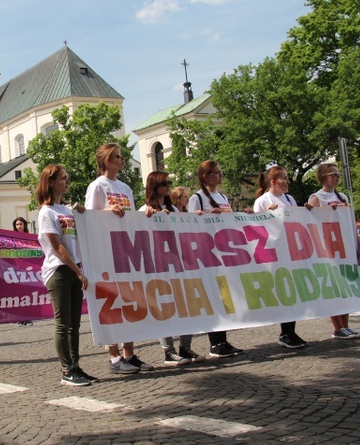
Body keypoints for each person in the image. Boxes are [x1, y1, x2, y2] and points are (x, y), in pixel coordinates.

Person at [84, 143, 148, 374]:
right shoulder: (97, 186)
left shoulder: (125, 187)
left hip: (125, 248)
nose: (122, 160)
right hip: (105, 250)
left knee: (130, 297)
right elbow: (89, 218)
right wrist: (108, 212)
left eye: (122, 156)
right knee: (111, 301)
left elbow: (130, 216)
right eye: (118, 157)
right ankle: (113, 356)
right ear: (107, 161)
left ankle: (129, 353)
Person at [37, 164, 95, 386]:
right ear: (51, 182)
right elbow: (58, 246)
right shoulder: (46, 212)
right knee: (63, 323)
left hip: (74, 268)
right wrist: (78, 271)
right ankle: (66, 370)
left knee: (75, 324)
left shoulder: (67, 210)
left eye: (67, 177)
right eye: (63, 178)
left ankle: (76, 365)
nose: (67, 181)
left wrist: (82, 213)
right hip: (60, 271)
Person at [140, 171, 205, 365]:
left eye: (169, 183)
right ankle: (168, 350)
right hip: (158, 265)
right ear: (154, 187)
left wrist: (195, 218)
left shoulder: (174, 211)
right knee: (164, 307)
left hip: (178, 263)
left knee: (187, 304)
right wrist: (152, 218)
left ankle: (185, 347)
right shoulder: (145, 209)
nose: (168, 186)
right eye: (163, 184)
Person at [188, 160, 245, 358]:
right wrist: (206, 215)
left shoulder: (221, 196)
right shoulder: (197, 197)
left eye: (222, 173)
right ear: (206, 176)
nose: (221, 177)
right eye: (217, 173)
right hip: (208, 252)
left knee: (225, 297)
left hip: (223, 251)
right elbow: (189, 223)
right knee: (214, 296)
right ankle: (215, 342)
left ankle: (223, 339)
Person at [252, 165, 307, 349]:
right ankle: (285, 332)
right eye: (284, 178)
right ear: (273, 182)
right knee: (282, 290)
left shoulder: (290, 199)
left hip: (290, 251)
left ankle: (289, 331)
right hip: (274, 253)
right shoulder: (262, 201)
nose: (288, 182)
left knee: (292, 291)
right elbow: (255, 227)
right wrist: (268, 215)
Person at [308, 163, 360, 339]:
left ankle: (345, 324)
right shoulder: (317, 197)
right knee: (334, 287)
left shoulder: (342, 197)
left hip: (344, 246)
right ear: (324, 176)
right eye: (334, 174)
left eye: (338, 174)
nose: (337, 177)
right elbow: (311, 221)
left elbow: (349, 221)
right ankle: (337, 327)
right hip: (328, 247)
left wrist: (358, 245)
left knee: (345, 286)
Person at [12, 217, 34, 326]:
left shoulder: (30, 237)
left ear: (25, 225)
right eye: (17, 225)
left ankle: (28, 317)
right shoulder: (11, 238)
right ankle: (20, 317)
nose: (19, 226)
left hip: (28, 270)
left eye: (20, 224)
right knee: (19, 294)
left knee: (27, 295)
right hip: (16, 270)